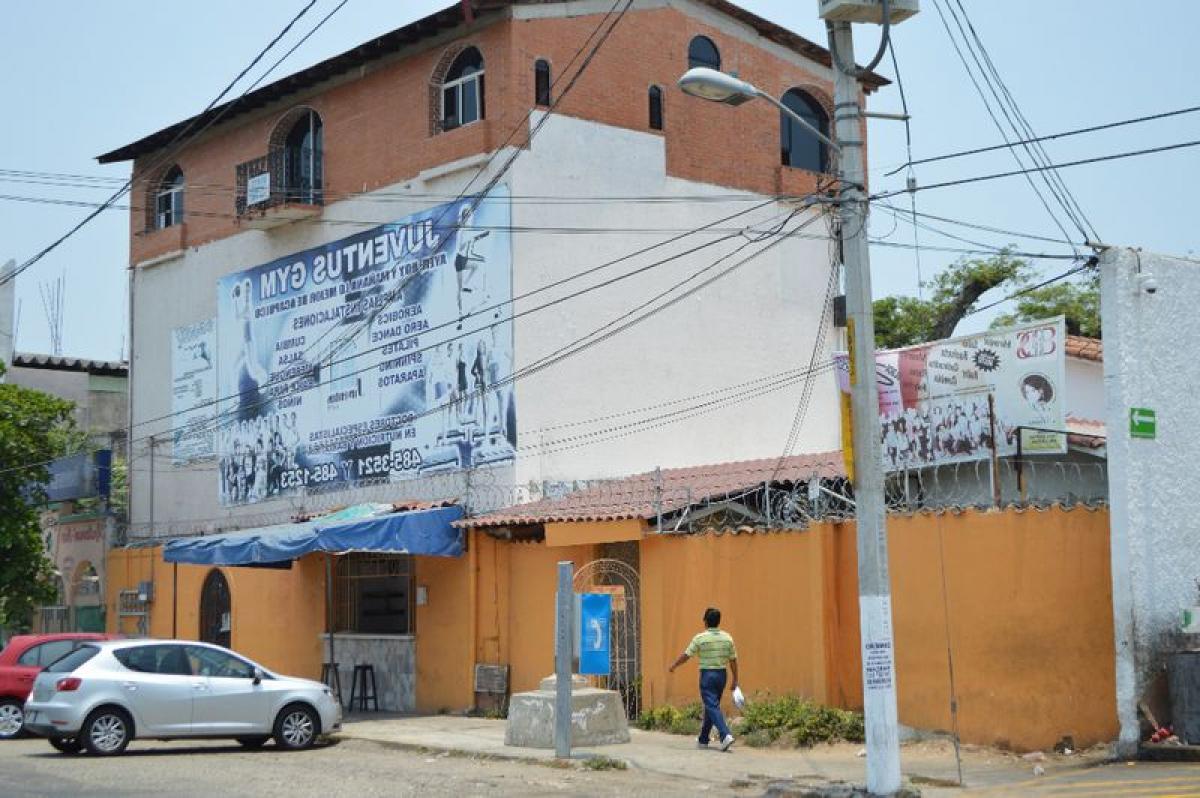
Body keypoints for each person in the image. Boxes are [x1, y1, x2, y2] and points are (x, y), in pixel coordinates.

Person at [668, 607, 739, 752]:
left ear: (705, 621)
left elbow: (687, 655)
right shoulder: (727, 638)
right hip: (721, 676)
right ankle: (703, 739)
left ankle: (725, 735)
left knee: (712, 706)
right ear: (719, 621)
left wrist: (674, 665)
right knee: (711, 705)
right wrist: (735, 679)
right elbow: (733, 660)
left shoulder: (700, 638)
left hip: (707, 675)